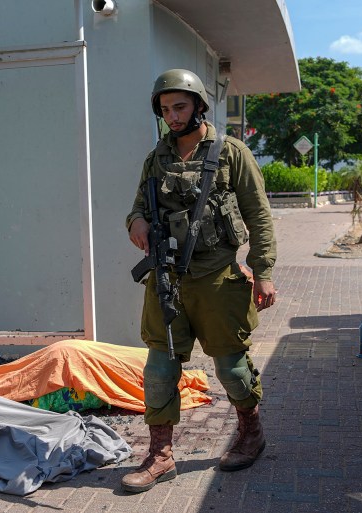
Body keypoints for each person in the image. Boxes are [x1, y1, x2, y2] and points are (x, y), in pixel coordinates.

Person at [122, 69, 277, 493]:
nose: (172, 116)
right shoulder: (156, 158)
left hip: (217, 277)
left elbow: (259, 216)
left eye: (180, 107)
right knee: (158, 367)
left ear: (198, 106)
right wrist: (136, 221)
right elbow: (137, 204)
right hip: (167, 278)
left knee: (230, 366)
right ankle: (160, 455)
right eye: (165, 109)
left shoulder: (231, 152)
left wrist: (262, 271)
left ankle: (251, 433)